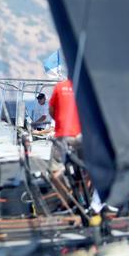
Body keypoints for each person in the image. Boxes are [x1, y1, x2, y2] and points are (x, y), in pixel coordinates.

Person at [47, 78, 84, 209]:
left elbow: (51, 110)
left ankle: (66, 201)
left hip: (63, 134)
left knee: (55, 172)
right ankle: (82, 197)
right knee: (86, 169)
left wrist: (59, 122)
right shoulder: (85, 86)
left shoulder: (59, 87)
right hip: (81, 135)